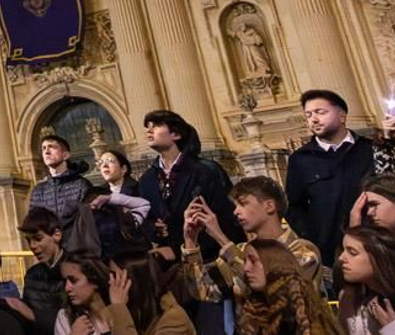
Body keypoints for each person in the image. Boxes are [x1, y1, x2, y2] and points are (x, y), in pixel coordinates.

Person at [182, 175, 322, 302]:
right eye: (235, 206)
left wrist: (220, 238)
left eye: (243, 204)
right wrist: (190, 240)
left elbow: (274, 292)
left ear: (269, 206)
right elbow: (203, 290)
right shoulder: (242, 250)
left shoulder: (303, 250)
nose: (236, 211)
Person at [286, 89, 375, 268]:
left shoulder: (369, 149)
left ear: (342, 115)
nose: (314, 119)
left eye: (320, 112)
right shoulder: (301, 159)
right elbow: (295, 207)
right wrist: (313, 238)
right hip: (330, 253)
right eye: (308, 114)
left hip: (374, 242)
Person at [138, 109, 241, 261]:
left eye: (157, 125)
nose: (149, 130)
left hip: (210, 258)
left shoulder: (205, 171)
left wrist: (178, 250)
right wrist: (153, 228)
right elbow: (145, 220)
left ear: (176, 134)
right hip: (168, 266)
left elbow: (227, 219)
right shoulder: (147, 179)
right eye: (148, 126)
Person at [232, 240, 343, 335]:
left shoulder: (299, 313)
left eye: (253, 261)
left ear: (274, 264)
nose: (246, 268)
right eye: (245, 261)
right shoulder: (251, 312)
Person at [30, 135, 96, 249]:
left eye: (51, 147)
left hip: (77, 251)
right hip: (50, 251)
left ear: (65, 155)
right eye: (43, 148)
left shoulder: (81, 184)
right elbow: (34, 222)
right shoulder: (38, 190)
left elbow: (88, 222)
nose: (46, 151)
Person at [107, 250, 195, 335]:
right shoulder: (131, 310)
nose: (110, 282)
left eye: (114, 276)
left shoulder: (174, 319)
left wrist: (119, 308)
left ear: (136, 282)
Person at [90, 149, 151, 258]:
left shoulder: (139, 189)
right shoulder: (97, 194)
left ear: (123, 169)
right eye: (101, 162)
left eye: (110, 161)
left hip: (137, 249)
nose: (104, 165)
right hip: (111, 253)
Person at [19, 207, 69, 333]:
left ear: (56, 235)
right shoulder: (32, 275)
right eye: (28, 240)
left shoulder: (76, 270)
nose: (32, 246)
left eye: (38, 239)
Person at [55, 254, 114, 335]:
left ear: (94, 280)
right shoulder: (65, 317)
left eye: (73, 280)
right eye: (65, 281)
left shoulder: (119, 311)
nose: (67, 288)